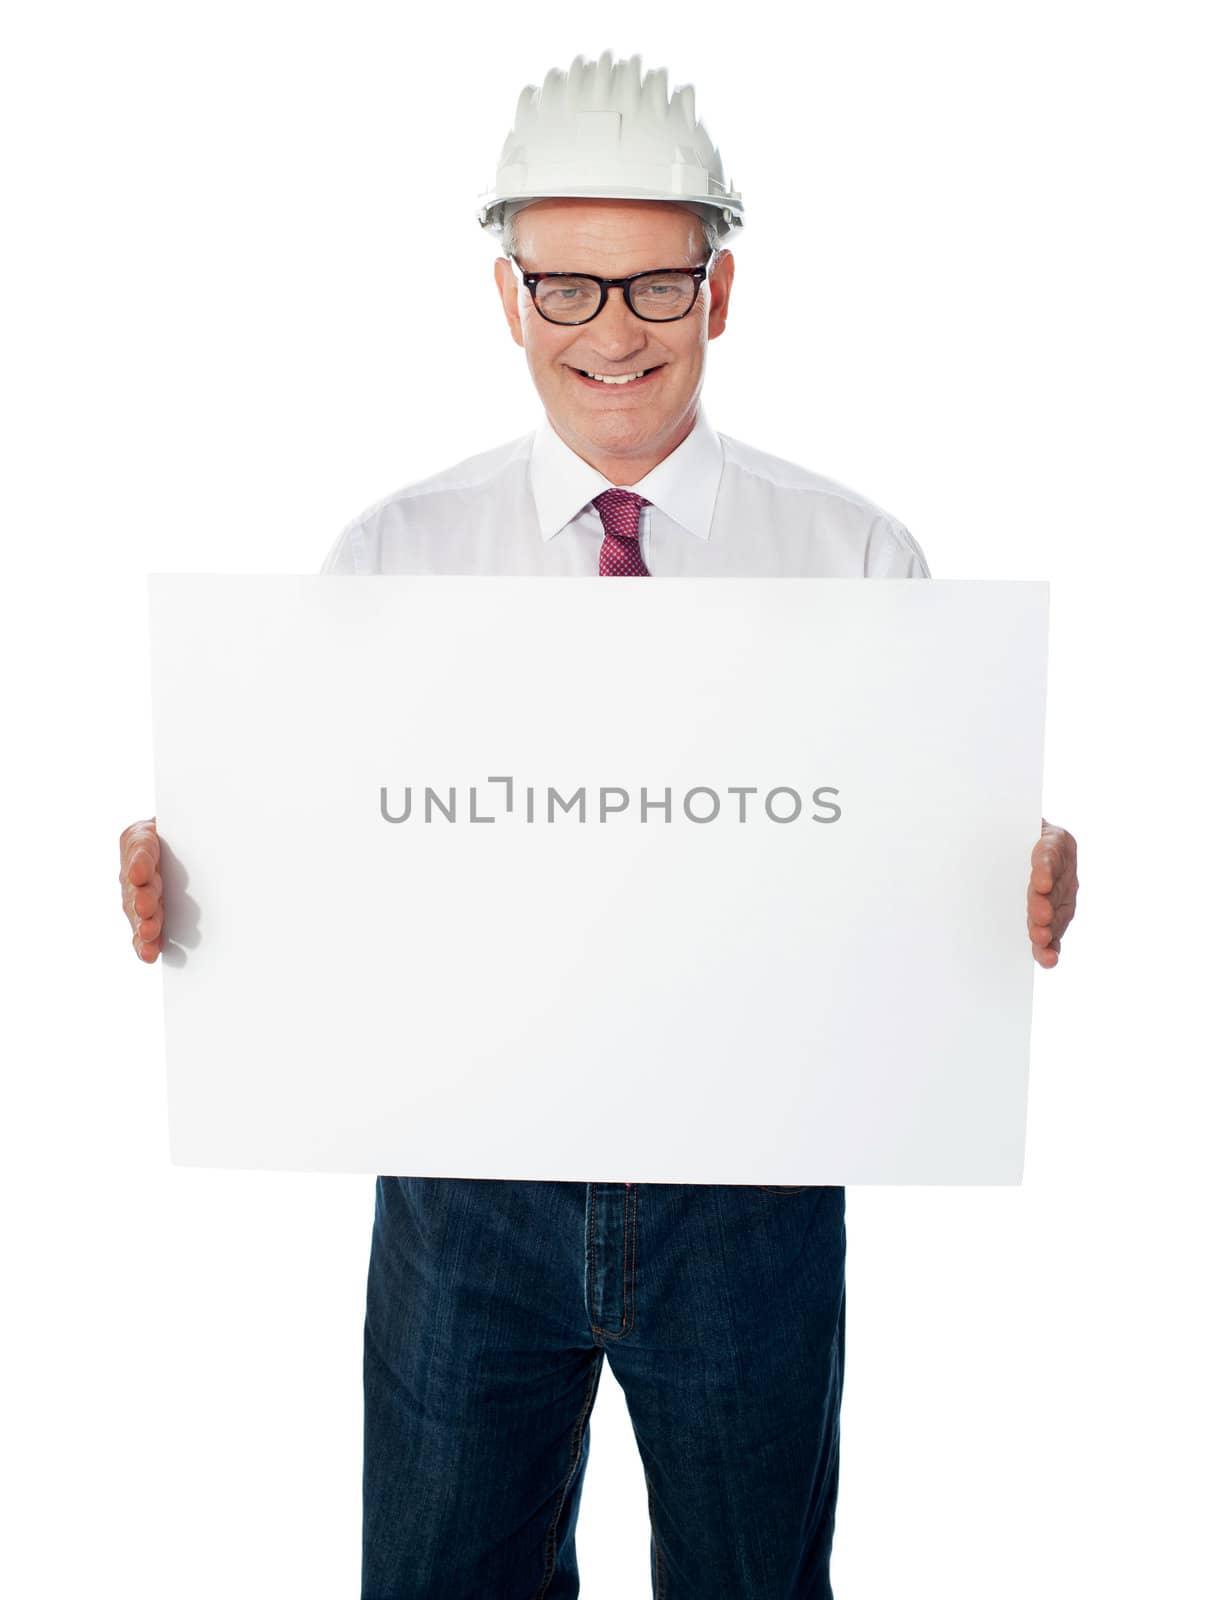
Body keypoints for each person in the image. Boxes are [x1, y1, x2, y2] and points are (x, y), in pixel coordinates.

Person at [118, 50, 1080, 1600]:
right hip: (461, 1192)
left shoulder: (852, 557)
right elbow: (328, 861)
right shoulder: (393, 555)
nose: (612, 333)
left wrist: (1009, 883)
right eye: (566, 288)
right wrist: (203, 880)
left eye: (654, 285)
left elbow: (917, 878)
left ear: (720, 292)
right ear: (508, 299)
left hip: (750, 1194)